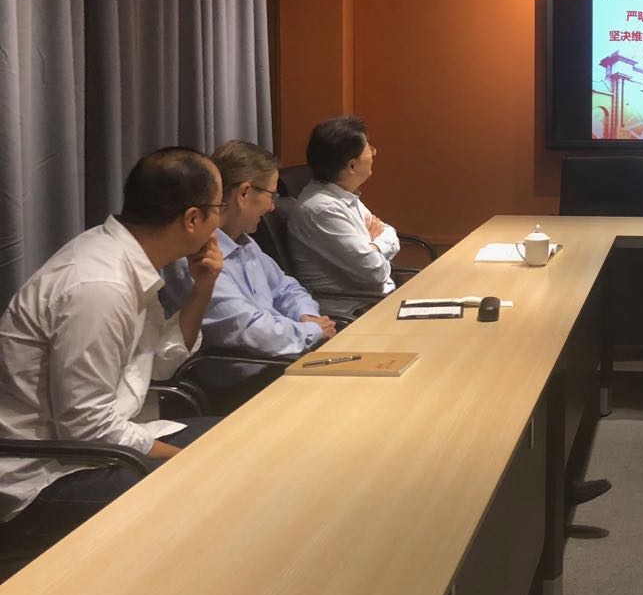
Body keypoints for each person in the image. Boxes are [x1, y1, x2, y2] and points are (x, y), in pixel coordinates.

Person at [0, 148, 224, 547]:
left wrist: (203, 288)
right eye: (218, 209)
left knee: (234, 439)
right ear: (193, 219)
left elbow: (159, 364)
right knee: (215, 481)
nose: (219, 222)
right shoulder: (100, 285)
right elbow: (85, 428)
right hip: (44, 477)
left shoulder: (126, 258)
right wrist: (181, 459)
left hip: (97, 446)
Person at [162, 141, 335, 407]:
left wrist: (306, 316)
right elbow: (248, 330)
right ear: (244, 193)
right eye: (271, 195)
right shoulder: (198, 256)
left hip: (282, 359)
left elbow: (287, 288)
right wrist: (312, 331)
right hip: (241, 386)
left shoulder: (245, 242)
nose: (273, 207)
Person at [288, 115, 401, 316]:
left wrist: (372, 247)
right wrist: (374, 245)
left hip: (375, 301)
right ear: (352, 166)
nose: (374, 153)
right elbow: (375, 271)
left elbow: (391, 234)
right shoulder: (322, 209)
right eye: (369, 149)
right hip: (354, 312)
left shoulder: (342, 194)